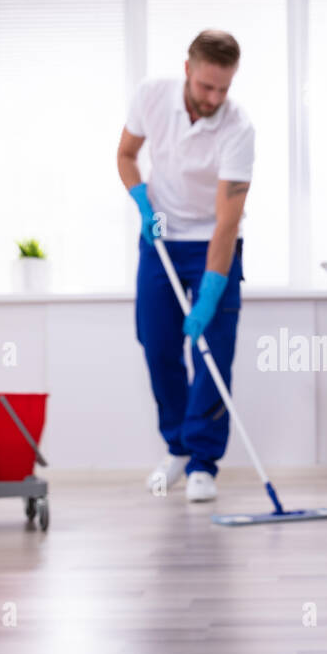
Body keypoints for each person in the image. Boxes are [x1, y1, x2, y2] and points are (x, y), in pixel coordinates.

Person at [116, 30, 254, 503]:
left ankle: (202, 463)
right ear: (188, 69)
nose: (215, 98)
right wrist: (141, 199)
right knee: (156, 344)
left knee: (212, 351)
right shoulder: (151, 96)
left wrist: (212, 292)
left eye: (224, 88)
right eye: (206, 87)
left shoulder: (239, 129)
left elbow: (226, 222)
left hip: (214, 243)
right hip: (160, 237)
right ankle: (176, 445)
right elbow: (126, 154)